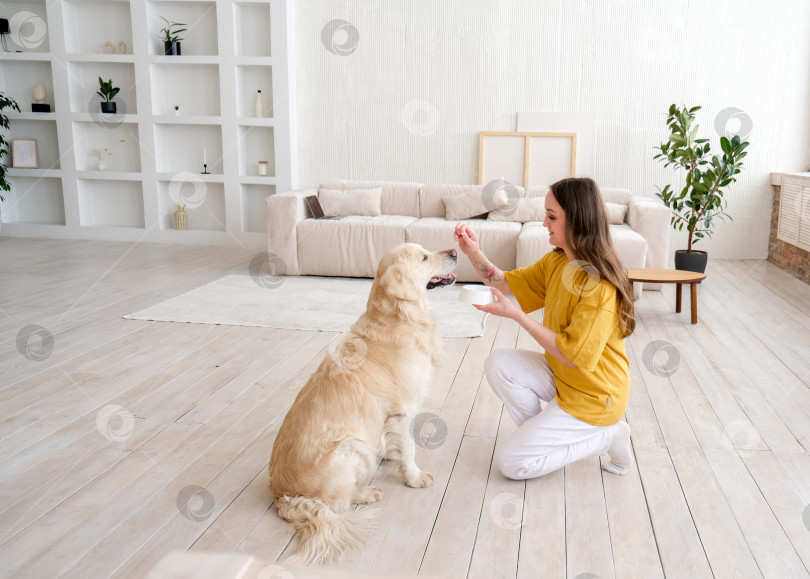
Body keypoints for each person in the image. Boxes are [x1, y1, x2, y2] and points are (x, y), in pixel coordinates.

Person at [453, 177, 635, 479]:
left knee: (512, 464)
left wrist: (518, 316)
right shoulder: (558, 261)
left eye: (552, 216)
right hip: (566, 380)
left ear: (576, 221)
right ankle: (547, 436)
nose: (543, 223)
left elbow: (573, 355)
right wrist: (472, 251)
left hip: (595, 397)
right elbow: (504, 282)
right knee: (499, 363)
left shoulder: (599, 287)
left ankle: (609, 435)